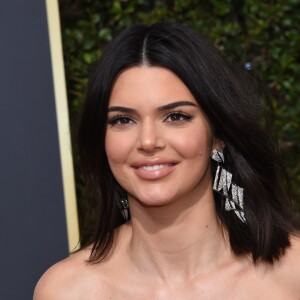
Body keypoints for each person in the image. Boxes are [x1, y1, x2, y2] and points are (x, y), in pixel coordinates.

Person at [34, 22, 300, 299]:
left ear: (218, 135)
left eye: (176, 117)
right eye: (123, 120)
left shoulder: (291, 275)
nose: (148, 141)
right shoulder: (67, 291)